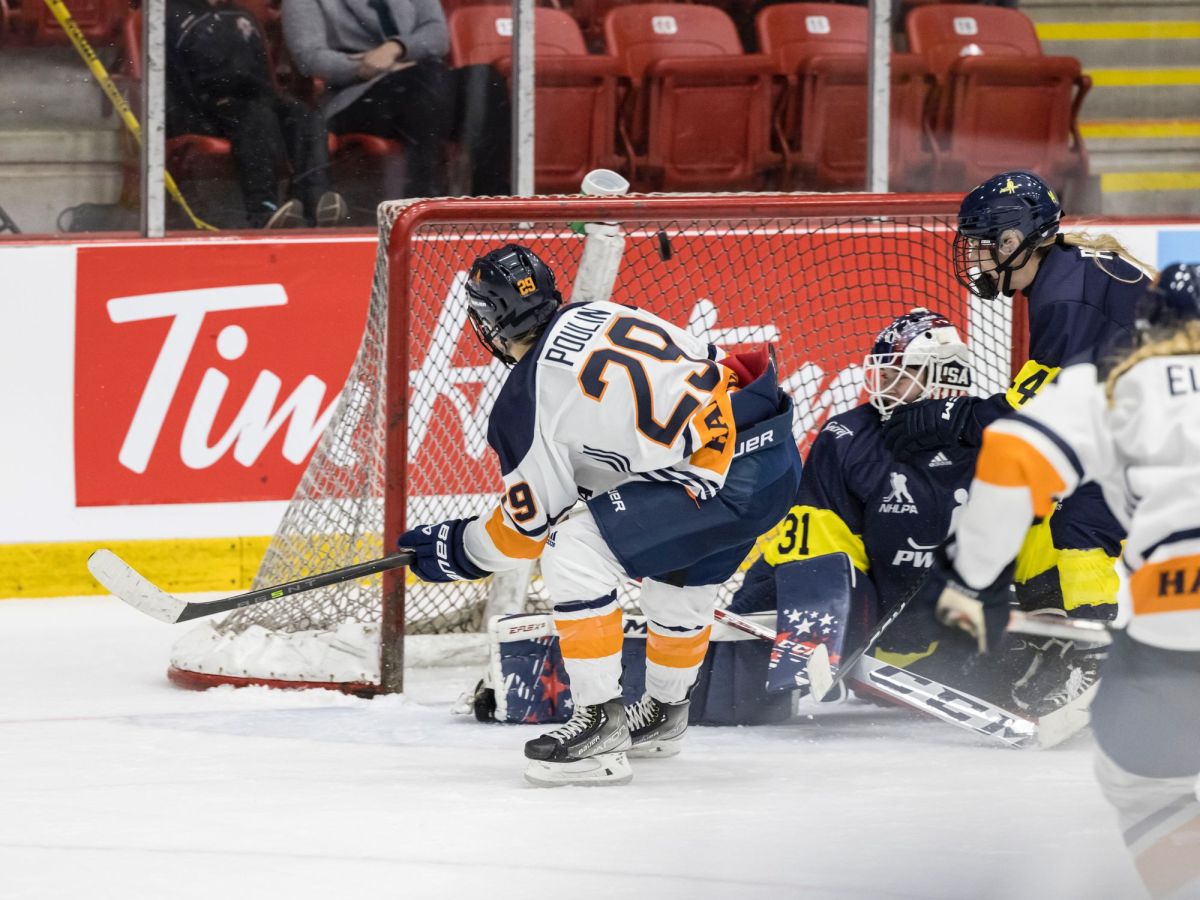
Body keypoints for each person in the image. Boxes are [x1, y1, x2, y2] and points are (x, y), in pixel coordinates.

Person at [397, 244, 801, 786]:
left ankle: (598, 729)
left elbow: (525, 534)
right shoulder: (601, 312)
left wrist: (457, 550)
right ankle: (663, 715)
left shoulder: (526, 399)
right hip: (772, 454)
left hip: (719, 480)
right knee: (680, 568)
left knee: (572, 550)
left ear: (488, 321)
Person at [928, 263, 1200, 899]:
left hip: (1177, 596)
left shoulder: (1110, 380)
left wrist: (973, 576)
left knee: (1139, 779)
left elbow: (1011, 457)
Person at [878, 170, 1153, 711]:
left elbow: (1034, 410)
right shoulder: (1065, 272)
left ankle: (1092, 664)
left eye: (983, 246)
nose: (975, 260)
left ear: (1013, 240)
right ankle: (1075, 644)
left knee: (1082, 517)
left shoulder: (1062, 296)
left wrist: (948, 419)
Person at [728, 308, 1025, 705]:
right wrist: (825, 635)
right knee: (771, 585)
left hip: (951, 635)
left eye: (895, 374)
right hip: (869, 630)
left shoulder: (997, 440)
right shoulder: (848, 435)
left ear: (941, 375)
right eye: (882, 372)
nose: (881, 383)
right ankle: (814, 649)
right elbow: (818, 547)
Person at [281, 0, 510, 199]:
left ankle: (492, 200)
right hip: (357, 94)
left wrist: (397, 48)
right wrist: (367, 66)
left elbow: (438, 35)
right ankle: (422, 197)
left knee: (485, 79)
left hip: (424, 82)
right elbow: (310, 57)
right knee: (424, 81)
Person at [165, 0, 347, 228]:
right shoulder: (167, 13)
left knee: (304, 115)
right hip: (208, 107)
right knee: (258, 116)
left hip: (257, 99)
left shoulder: (240, 13)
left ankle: (316, 201)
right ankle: (264, 210)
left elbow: (263, 75)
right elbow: (171, 81)